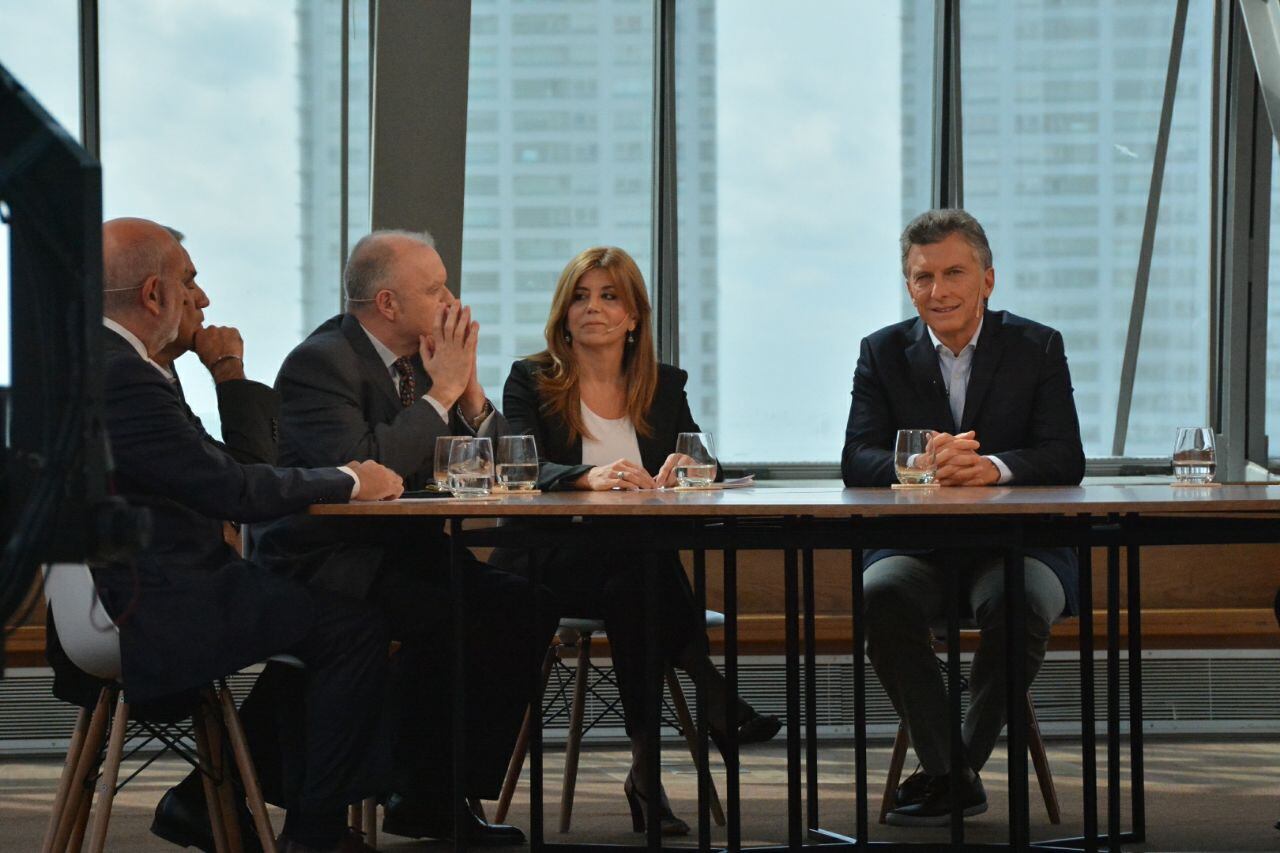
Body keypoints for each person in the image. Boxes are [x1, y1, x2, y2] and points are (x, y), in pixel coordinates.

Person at [93, 217, 406, 853]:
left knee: (313, 611)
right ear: (155, 295)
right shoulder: (124, 377)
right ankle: (315, 835)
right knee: (352, 626)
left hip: (140, 590)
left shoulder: (114, 365)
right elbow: (234, 492)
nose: (202, 300)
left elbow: (233, 471)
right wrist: (348, 479)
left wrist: (229, 377)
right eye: (190, 281)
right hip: (156, 604)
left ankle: (210, 800)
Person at [252, 229, 558, 845]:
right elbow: (366, 471)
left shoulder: (425, 361)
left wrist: (469, 396)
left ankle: (437, 793)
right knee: (448, 615)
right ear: (388, 303)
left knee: (520, 604)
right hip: (330, 559)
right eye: (435, 287)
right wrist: (443, 393)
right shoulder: (321, 362)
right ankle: (409, 788)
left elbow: (505, 470)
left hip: (406, 553)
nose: (452, 299)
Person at [496, 245, 780, 836]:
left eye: (608, 297)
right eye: (580, 296)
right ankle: (709, 704)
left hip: (631, 573)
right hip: (549, 562)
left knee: (636, 583)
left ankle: (648, 775)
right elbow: (516, 469)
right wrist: (585, 476)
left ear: (633, 317)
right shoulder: (532, 379)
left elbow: (709, 465)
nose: (592, 309)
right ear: (563, 311)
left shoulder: (662, 386)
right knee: (641, 571)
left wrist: (688, 469)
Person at [841, 209, 1085, 827]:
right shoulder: (881, 351)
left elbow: (1066, 455)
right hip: (918, 548)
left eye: (954, 273)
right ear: (908, 284)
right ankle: (957, 775)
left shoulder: (1038, 345)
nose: (938, 290)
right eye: (923, 277)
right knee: (877, 595)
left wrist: (993, 468)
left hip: (1020, 546)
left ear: (988, 280)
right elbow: (856, 457)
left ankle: (953, 770)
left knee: (1019, 603)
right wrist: (920, 460)